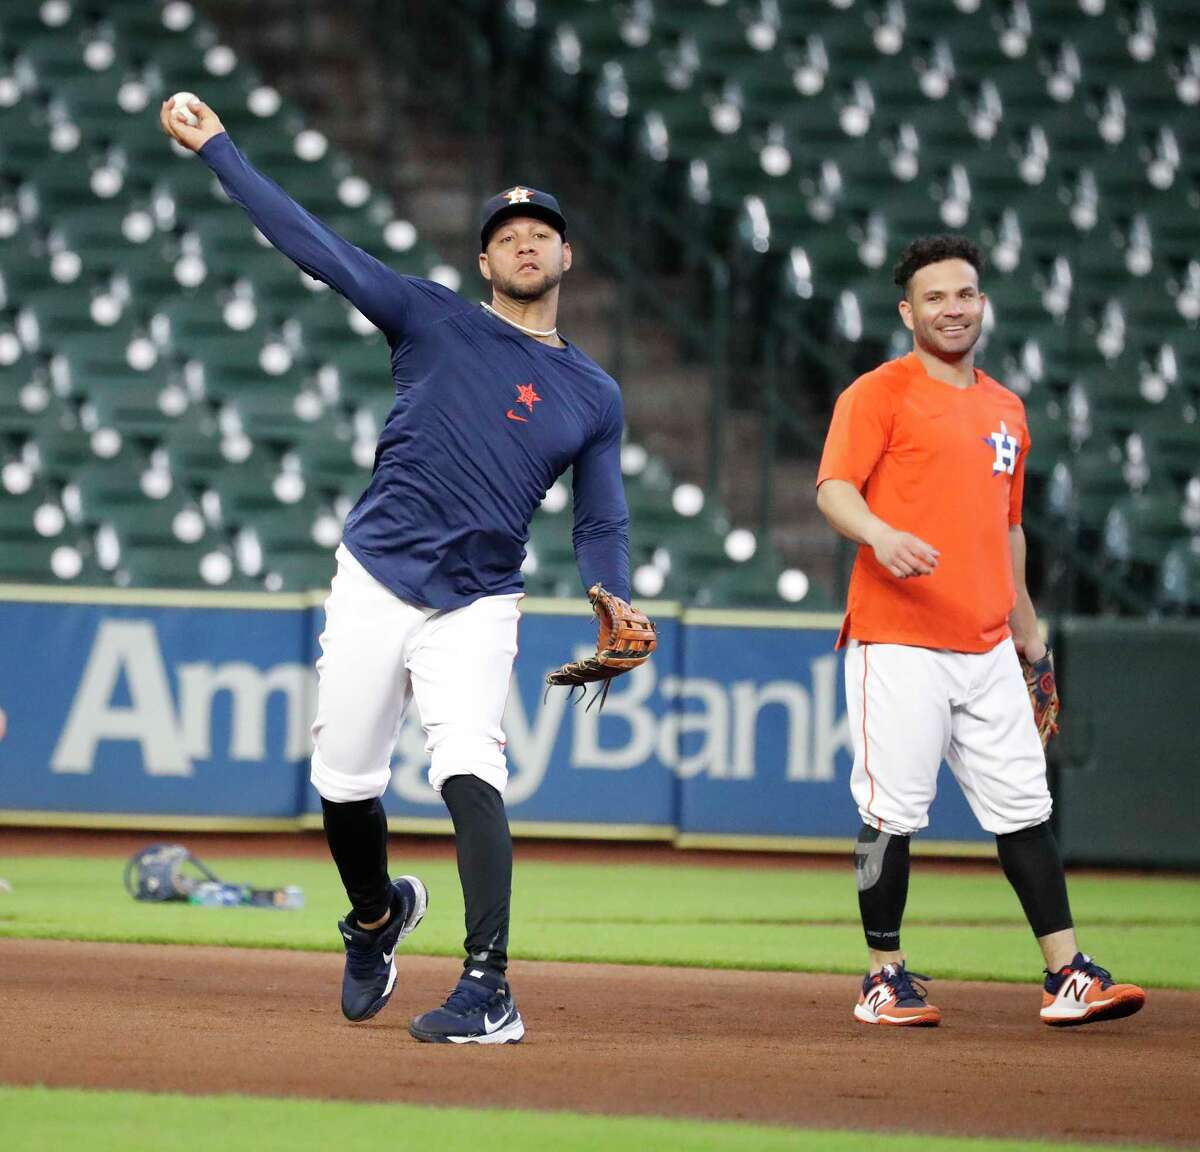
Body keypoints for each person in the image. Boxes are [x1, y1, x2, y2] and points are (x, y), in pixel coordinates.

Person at [160, 97, 633, 1044]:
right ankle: (378, 916)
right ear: (483, 261)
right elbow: (316, 245)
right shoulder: (430, 315)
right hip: (377, 573)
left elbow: (600, 514)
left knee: (470, 764)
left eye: (543, 231)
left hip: (481, 598)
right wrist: (221, 150)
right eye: (508, 234)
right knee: (342, 784)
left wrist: (609, 589)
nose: (526, 243)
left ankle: (488, 985)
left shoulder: (594, 391)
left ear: (566, 257)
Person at [815, 234, 1146, 1028]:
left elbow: (1008, 529)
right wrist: (879, 535)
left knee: (1025, 809)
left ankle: (1066, 974)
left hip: (987, 641)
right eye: (935, 297)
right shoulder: (879, 393)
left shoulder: (1006, 408)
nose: (952, 309)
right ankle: (881, 976)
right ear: (908, 311)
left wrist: (1028, 632)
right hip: (897, 638)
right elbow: (833, 489)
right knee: (890, 812)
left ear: (983, 302)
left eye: (964, 294)